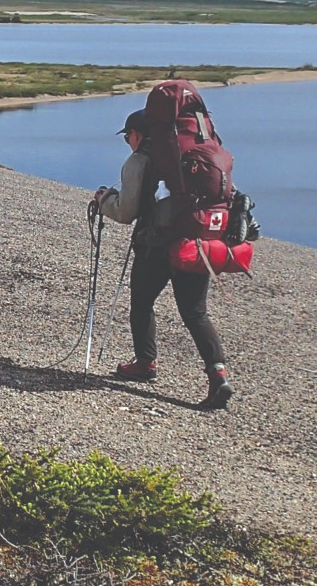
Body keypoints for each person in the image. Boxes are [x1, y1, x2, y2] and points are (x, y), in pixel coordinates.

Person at [93, 109, 234, 410]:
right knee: (195, 313)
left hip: (155, 247)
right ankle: (218, 374)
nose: (128, 142)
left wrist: (102, 199)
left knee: (142, 303)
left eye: (128, 136)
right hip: (196, 242)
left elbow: (125, 212)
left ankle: (145, 363)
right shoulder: (195, 155)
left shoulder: (139, 160)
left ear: (137, 134)